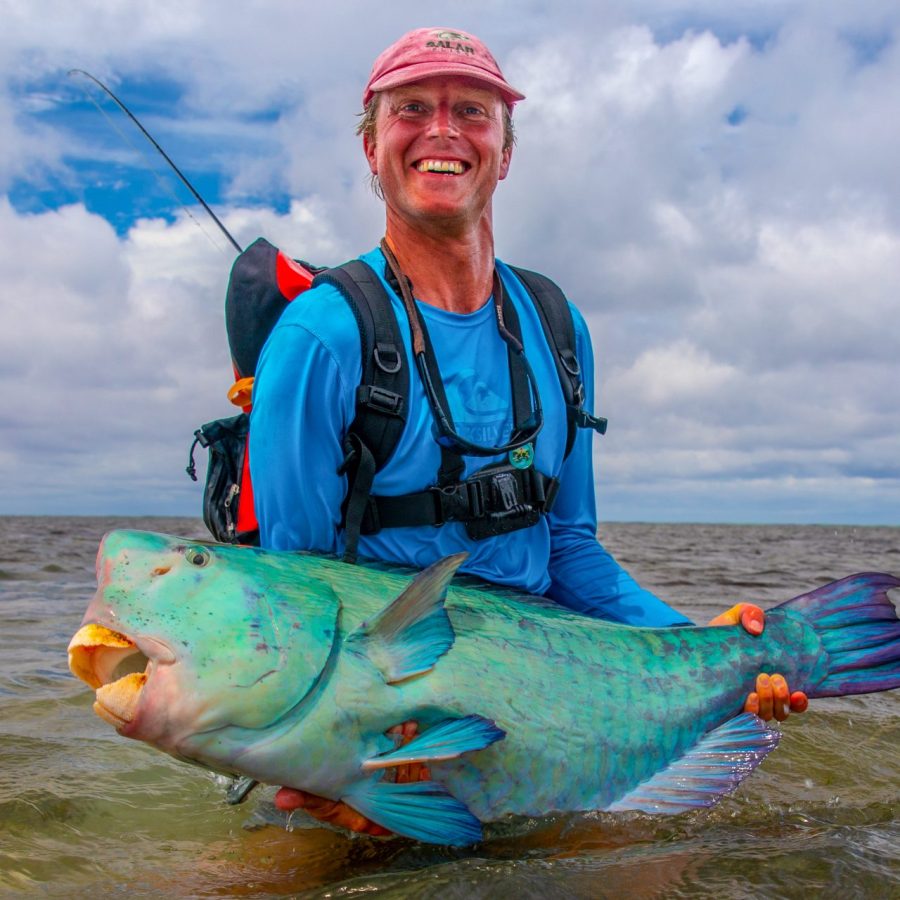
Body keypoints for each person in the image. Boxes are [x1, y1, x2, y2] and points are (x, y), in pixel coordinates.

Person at [249, 26, 806, 834]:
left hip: (541, 717)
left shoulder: (557, 323)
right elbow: (294, 594)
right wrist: (346, 757)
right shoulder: (318, 339)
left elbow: (570, 547)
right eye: (411, 109)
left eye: (471, 111)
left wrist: (693, 645)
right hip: (379, 737)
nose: (442, 130)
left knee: (659, 871)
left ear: (504, 152)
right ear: (372, 148)